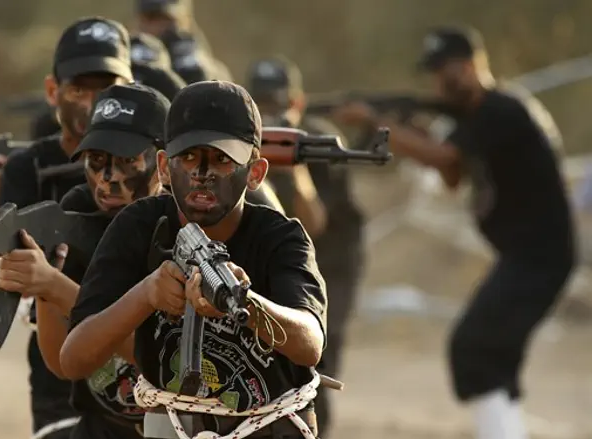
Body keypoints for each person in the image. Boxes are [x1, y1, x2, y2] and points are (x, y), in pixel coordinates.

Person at [333, 25, 576, 439]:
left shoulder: (501, 110)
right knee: (492, 354)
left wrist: (378, 122)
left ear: (469, 66)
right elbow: (450, 173)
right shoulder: (479, 118)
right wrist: (416, 131)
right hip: (527, 256)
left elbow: (442, 157)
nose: (440, 84)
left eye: (445, 72)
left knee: (474, 350)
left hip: (539, 257)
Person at [60, 80, 327, 439]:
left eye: (222, 159)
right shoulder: (139, 227)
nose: (202, 174)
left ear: (255, 173)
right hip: (172, 426)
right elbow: (74, 359)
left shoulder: (280, 236)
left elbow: (310, 343)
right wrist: (146, 295)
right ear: (164, 168)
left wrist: (246, 304)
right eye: (188, 157)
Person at [0, 83, 170, 439]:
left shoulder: (180, 226)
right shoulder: (77, 211)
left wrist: (57, 287)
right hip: (102, 425)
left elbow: (161, 357)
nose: (108, 180)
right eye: (97, 162)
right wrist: (43, 288)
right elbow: (62, 363)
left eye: (126, 163)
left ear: (162, 164)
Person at [0, 17, 134, 439]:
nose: (93, 104)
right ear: (53, 92)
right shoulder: (29, 166)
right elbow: (12, 255)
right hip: (57, 346)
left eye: (108, 90)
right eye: (79, 89)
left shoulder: (150, 169)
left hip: (136, 349)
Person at [246, 55, 365, 439]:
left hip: (332, 264)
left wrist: (291, 167)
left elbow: (315, 223)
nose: (272, 114)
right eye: (261, 105)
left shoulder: (316, 143)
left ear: (297, 103)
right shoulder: (243, 143)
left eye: (278, 104)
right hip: (275, 264)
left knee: (315, 361)